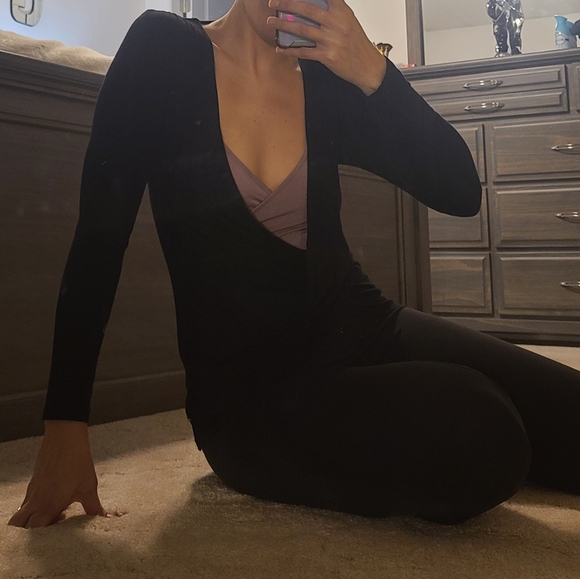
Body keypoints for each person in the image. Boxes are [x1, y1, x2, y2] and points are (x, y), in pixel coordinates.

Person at [8, 0, 580, 529]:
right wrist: (65, 426)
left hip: (364, 325)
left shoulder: (324, 77)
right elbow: (98, 239)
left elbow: (459, 190)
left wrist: (371, 68)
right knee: (485, 432)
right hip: (249, 400)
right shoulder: (163, 50)